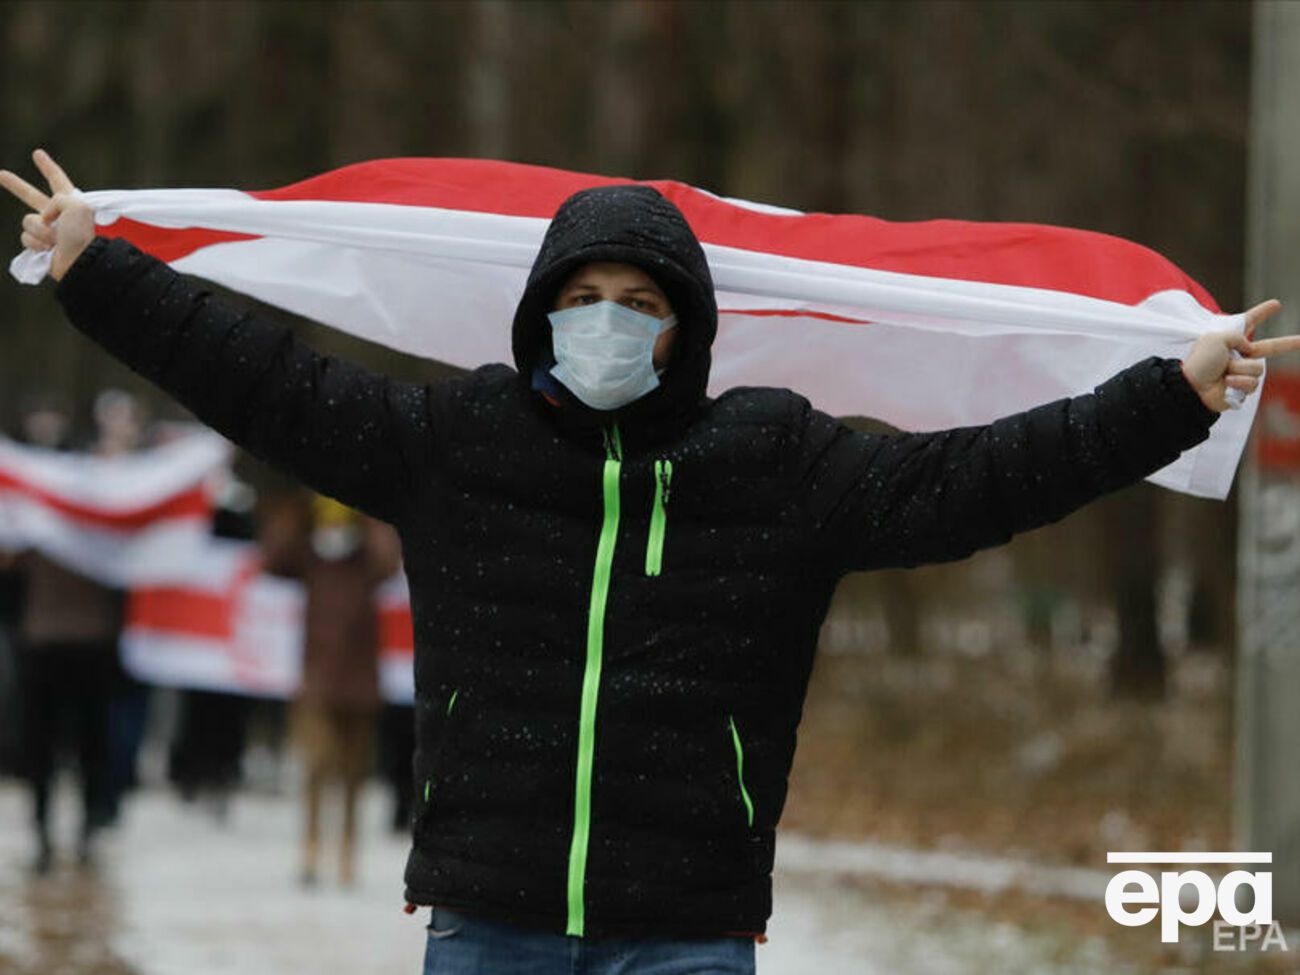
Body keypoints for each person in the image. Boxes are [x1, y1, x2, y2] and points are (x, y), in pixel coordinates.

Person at [2, 149, 1294, 973]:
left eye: (640, 300)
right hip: (488, 912)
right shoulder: (457, 443)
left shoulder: (780, 467)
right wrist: (94, 270)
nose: (607, 321)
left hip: (687, 925)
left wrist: (1172, 395)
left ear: (685, 328)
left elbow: (991, 473)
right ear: (539, 315)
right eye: (582, 297)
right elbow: (263, 378)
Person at [260, 491, 402, 887]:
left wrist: (366, 511)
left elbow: (388, 561)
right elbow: (272, 559)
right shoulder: (310, 558)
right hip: (317, 683)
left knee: (355, 774)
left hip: (360, 683)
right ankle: (310, 849)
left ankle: (347, 853)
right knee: (316, 768)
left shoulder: (365, 562)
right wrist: (299, 506)